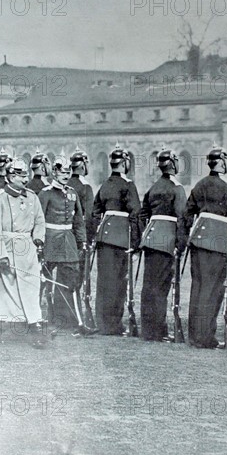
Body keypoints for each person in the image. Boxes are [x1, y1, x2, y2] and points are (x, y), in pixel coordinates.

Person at [0, 158, 46, 346]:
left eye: (26, 175)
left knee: (31, 288)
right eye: (21, 176)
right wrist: (0, 255)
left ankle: (35, 328)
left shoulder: (32, 197)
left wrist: (38, 239)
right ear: (10, 176)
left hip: (26, 249)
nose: (26, 179)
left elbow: (40, 221)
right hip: (4, 249)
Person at [184, 144, 227, 348]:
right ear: (222, 163)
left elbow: (187, 213)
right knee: (212, 288)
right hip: (217, 241)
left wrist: (189, 234)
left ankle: (194, 334)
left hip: (198, 240)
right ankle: (205, 336)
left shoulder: (199, 184)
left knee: (198, 286)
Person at [91, 144, 141, 335]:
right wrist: (136, 243)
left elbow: (95, 213)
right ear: (125, 163)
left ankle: (103, 323)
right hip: (121, 237)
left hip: (104, 237)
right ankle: (114, 325)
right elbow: (135, 213)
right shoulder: (128, 185)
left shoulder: (105, 185)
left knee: (104, 282)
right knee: (118, 282)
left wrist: (96, 235)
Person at [139, 147, 187, 341]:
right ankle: (158, 331)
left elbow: (143, 213)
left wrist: (147, 231)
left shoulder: (154, 187)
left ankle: (148, 329)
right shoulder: (177, 187)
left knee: (149, 286)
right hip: (166, 239)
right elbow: (182, 218)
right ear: (173, 164)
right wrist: (181, 244)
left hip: (151, 238)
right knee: (160, 287)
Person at [38, 155, 86, 333]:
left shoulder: (73, 192)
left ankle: (68, 319)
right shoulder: (46, 193)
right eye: (62, 172)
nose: (66, 175)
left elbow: (78, 220)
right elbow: (39, 219)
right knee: (44, 280)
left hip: (68, 240)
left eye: (68, 172)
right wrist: (39, 243)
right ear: (54, 173)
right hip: (50, 239)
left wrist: (81, 241)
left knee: (69, 280)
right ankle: (37, 317)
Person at [67, 145, 94, 290]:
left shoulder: (66, 184)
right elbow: (89, 215)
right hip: (79, 236)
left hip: (64, 234)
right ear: (83, 165)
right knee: (79, 274)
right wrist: (89, 238)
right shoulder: (85, 187)